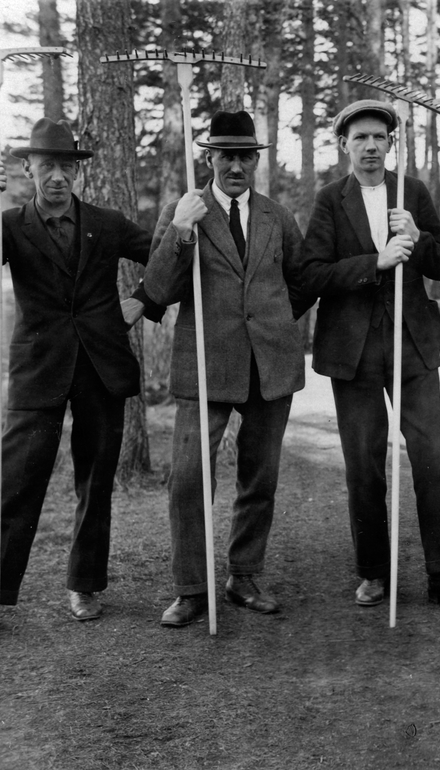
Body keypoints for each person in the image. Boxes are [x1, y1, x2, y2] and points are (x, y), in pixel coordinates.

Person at [0, 118, 161, 642]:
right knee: (14, 482)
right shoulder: (10, 225)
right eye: (46, 166)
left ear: (76, 172)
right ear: (28, 170)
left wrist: (143, 300)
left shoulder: (107, 223)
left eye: (65, 166)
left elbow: (170, 255)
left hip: (101, 368)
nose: (57, 176)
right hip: (39, 369)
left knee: (96, 481)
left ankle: (85, 585)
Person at [297, 99, 440, 611]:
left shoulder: (413, 192)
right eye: (360, 138)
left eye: (379, 137)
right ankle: (374, 573)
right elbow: (311, 275)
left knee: (431, 457)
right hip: (352, 350)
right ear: (344, 145)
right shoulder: (330, 200)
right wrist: (373, 263)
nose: (371, 146)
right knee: (364, 463)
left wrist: (418, 239)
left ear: (390, 143)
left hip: (412, 345)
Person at [141, 110, 310, 627]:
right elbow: (158, 291)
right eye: (226, 156)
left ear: (255, 161)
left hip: (269, 365)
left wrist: (271, 320)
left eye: (245, 157)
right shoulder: (184, 211)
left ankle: (244, 575)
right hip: (206, 364)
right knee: (190, 478)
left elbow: (302, 282)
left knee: (260, 477)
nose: (235, 166)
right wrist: (181, 231)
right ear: (209, 158)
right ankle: (192, 589)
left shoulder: (277, 216)